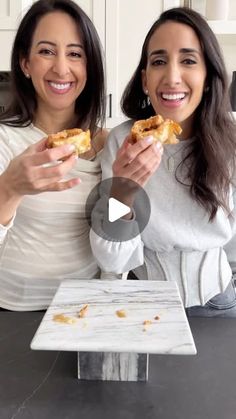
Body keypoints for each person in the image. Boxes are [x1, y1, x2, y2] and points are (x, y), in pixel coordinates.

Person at [90, 7, 236, 316]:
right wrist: (122, 193)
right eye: (158, 62)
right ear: (145, 80)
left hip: (220, 301)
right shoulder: (123, 142)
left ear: (208, 76)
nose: (172, 77)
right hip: (144, 302)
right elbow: (111, 260)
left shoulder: (231, 142)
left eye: (188, 61)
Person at [0, 0, 108, 311]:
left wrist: (127, 192)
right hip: (12, 313)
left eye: (75, 54)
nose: (61, 68)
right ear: (25, 63)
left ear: (89, 67)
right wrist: (9, 188)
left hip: (84, 308)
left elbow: (118, 232)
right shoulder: (5, 139)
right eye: (46, 51)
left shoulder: (110, 144)